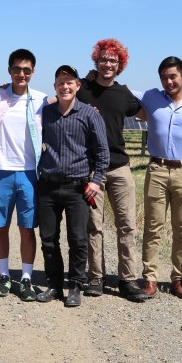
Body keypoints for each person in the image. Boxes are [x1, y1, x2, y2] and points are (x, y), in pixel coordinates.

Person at [77, 38, 146, 302]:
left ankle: (128, 279)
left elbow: (149, 114)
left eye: (113, 61)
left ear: (120, 65)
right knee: (93, 226)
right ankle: (96, 276)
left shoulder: (125, 94)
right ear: (96, 61)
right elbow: (56, 98)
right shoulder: (83, 89)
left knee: (126, 225)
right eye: (104, 59)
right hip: (92, 170)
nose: (108, 64)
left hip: (120, 168)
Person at [35, 66, 109, 307]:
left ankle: (75, 285)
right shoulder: (45, 113)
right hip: (48, 186)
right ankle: (54, 285)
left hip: (78, 188)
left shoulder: (90, 114)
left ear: (77, 86)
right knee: (48, 239)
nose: (65, 86)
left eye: (70, 82)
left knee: (77, 239)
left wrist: (96, 181)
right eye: (60, 82)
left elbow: (102, 152)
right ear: (55, 85)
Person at [134, 56, 182, 300]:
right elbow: (118, 93)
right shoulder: (151, 97)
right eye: (164, 77)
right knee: (153, 226)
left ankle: (178, 279)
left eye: (173, 76)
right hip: (157, 169)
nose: (168, 81)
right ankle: (150, 278)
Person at [0, 49, 48, 301]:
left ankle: (26, 277)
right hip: (1, 171)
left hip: (30, 172)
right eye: (17, 69)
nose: (21, 74)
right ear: (9, 70)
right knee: (1, 227)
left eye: (27, 70)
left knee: (27, 228)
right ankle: (3, 276)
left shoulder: (41, 100)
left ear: (33, 72)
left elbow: (68, 99)